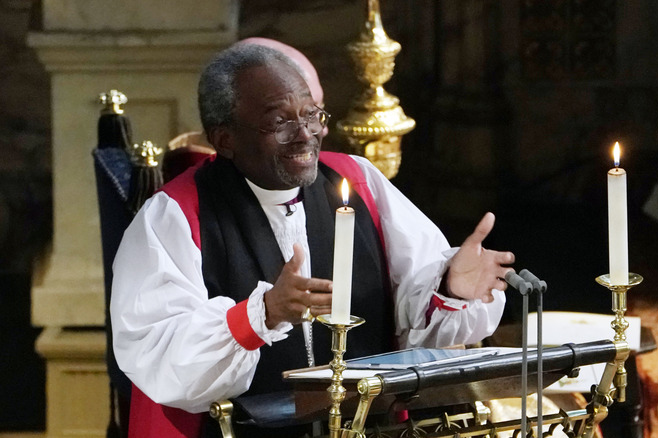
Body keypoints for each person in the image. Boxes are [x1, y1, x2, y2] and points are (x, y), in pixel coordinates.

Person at [110, 42, 515, 437]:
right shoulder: (175, 215)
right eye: (279, 121)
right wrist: (260, 315)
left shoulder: (356, 181)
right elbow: (158, 353)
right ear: (225, 138)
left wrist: (451, 288)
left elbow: (416, 320)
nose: (305, 134)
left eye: (311, 114)